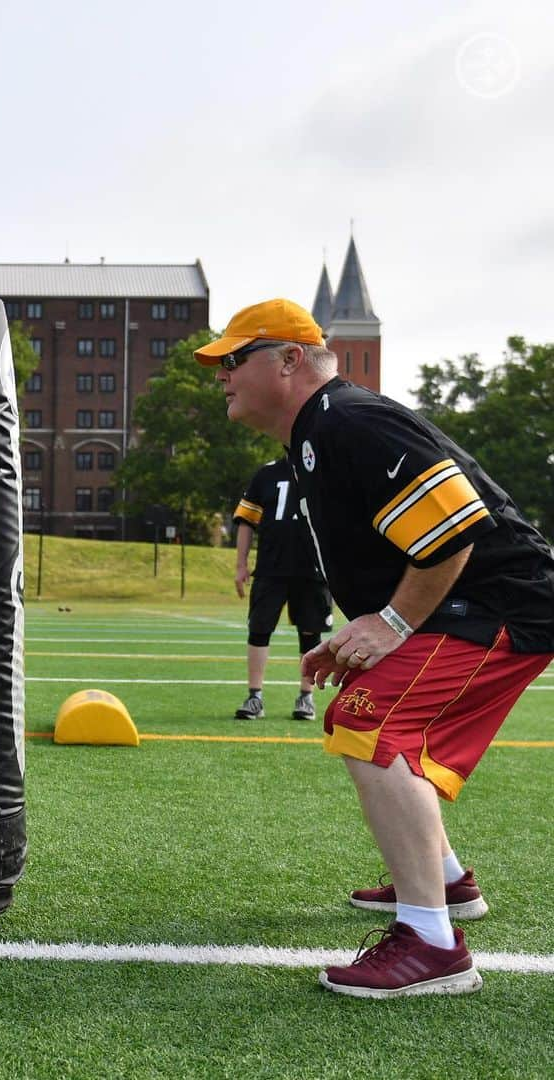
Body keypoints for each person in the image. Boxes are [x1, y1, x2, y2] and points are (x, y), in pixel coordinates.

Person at [195, 298, 554, 999]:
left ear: (289, 360)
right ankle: (446, 886)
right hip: (465, 606)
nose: (222, 376)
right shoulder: (315, 434)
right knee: (356, 714)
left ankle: (432, 946)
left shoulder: (350, 418)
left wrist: (390, 623)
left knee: (372, 720)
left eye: (234, 360)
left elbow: (454, 527)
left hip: (498, 604)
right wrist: (368, 627)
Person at [232, 456, 332, 721]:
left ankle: (306, 697)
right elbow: (246, 521)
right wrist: (241, 565)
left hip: (312, 570)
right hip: (270, 567)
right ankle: (254, 697)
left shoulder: (326, 469)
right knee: (259, 629)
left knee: (311, 633)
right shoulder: (266, 473)